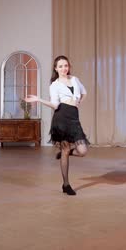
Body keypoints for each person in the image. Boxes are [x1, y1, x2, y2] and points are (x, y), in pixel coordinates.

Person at [25, 55, 89, 195]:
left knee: (83, 151)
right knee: (65, 150)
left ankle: (68, 152)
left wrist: (78, 103)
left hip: (74, 118)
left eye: (65, 65)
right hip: (61, 118)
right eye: (60, 66)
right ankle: (66, 184)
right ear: (56, 68)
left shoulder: (75, 79)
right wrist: (38, 99)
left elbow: (84, 93)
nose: (63, 68)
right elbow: (55, 105)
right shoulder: (54, 85)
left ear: (69, 66)